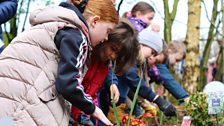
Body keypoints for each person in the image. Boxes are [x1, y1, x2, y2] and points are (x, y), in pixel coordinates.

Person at [0, 0, 118, 125]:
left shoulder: (56, 24)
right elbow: (69, 84)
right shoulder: (77, 36)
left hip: (10, 96)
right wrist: (93, 109)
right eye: (108, 31)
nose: (106, 38)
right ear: (94, 21)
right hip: (21, 107)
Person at [99, 27, 177, 122]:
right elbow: (133, 79)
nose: (151, 57)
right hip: (107, 99)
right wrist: (157, 99)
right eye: (152, 52)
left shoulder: (137, 61)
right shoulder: (132, 56)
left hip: (115, 101)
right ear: (143, 44)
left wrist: (143, 103)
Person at [71, 18, 139, 125]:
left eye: (117, 56)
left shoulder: (104, 66)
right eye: (113, 49)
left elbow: (90, 93)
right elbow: (72, 87)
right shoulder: (84, 52)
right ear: (106, 37)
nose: (112, 56)